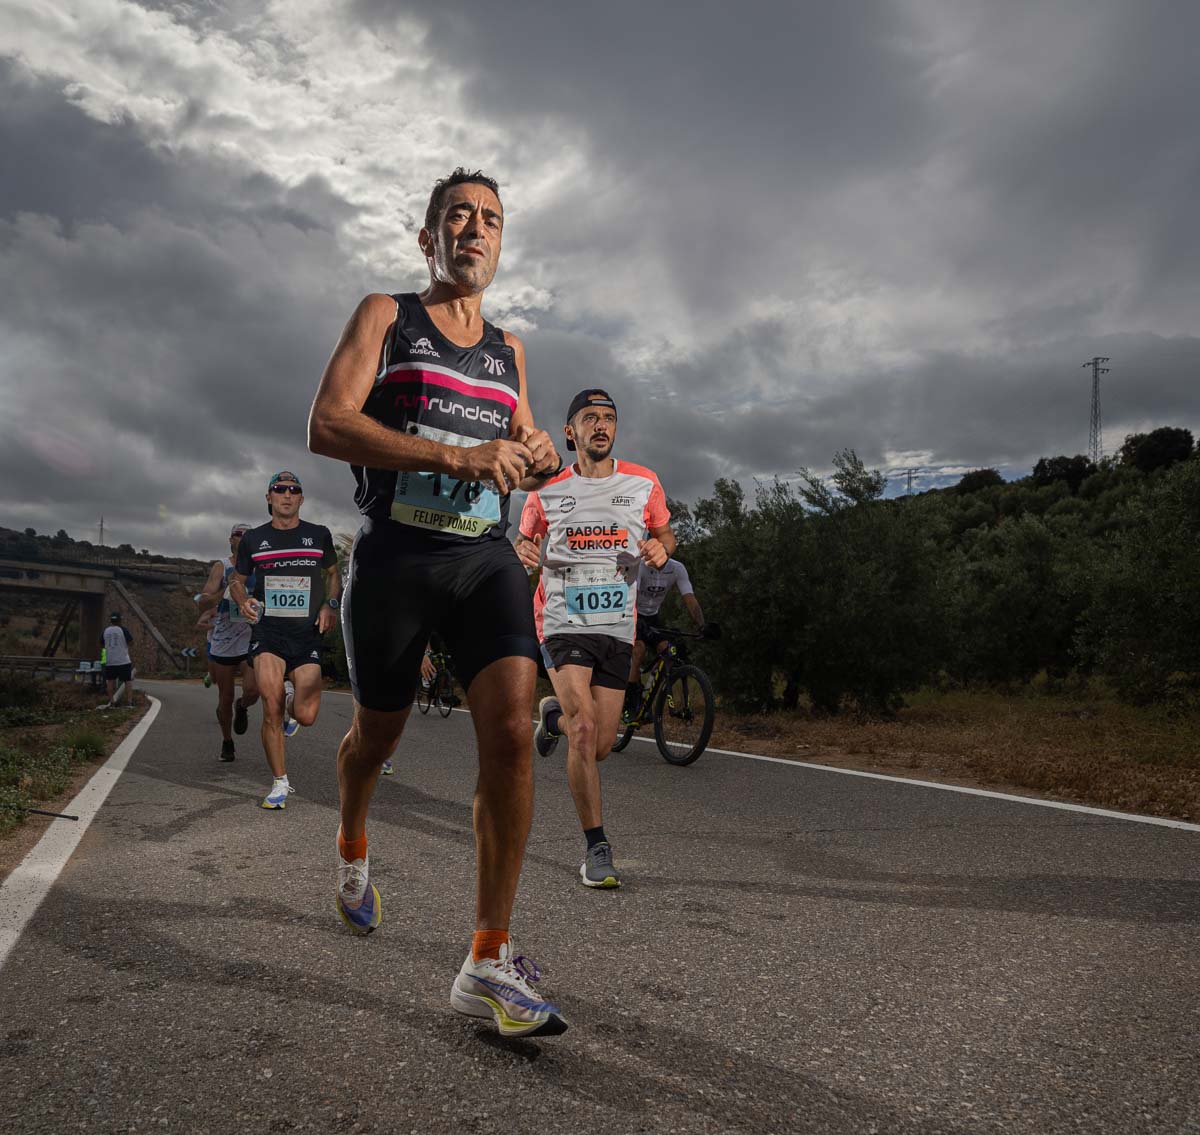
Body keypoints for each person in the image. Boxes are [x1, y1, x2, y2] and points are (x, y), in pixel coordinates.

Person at [308, 167, 567, 1037]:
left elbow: (522, 447)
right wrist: (449, 457)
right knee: (374, 737)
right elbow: (328, 423)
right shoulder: (387, 315)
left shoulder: (510, 349)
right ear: (429, 238)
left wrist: (530, 449)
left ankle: (486, 959)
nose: (474, 229)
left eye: (490, 219)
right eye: (457, 216)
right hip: (396, 558)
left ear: (501, 242)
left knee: (510, 731)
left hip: (483, 560)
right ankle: (351, 842)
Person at [518, 389, 675, 889]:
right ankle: (597, 848)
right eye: (590, 418)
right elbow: (525, 538)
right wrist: (523, 551)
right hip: (562, 621)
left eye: (609, 418)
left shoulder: (643, 482)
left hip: (616, 626)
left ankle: (553, 718)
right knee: (585, 730)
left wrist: (658, 547)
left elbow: (666, 533)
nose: (601, 426)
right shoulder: (545, 491)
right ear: (571, 433)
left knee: (602, 743)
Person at [229, 472, 340, 809]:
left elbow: (333, 574)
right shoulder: (253, 540)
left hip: (306, 634)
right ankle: (280, 782)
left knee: (306, 716)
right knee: (271, 708)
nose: (287, 495)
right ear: (269, 497)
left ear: (302, 499)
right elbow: (237, 580)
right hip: (268, 633)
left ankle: (293, 699)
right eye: (280, 490)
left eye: (294, 491)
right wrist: (241, 600)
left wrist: (329, 603)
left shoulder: (318, 535)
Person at [195, 523, 262, 762]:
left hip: (250, 639)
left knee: (254, 690)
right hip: (224, 641)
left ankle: (242, 707)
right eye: (238, 534)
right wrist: (223, 590)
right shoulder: (222, 566)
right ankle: (227, 741)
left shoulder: (260, 566)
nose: (242, 538)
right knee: (224, 697)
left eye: (247, 535)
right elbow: (203, 601)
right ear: (230, 540)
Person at [624, 556, 707, 717]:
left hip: (653, 617)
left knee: (668, 651)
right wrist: (634, 620)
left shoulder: (677, 568)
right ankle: (630, 702)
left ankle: (650, 691)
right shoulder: (639, 566)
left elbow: (689, 597)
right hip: (632, 614)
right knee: (639, 650)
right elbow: (632, 596)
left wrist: (702, 624)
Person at [98, 611, 135, 709]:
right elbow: (131, 642)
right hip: (123, 660)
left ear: (111, 620)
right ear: (120, 620)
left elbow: (101, 644)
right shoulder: (123, 630)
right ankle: (129, 702)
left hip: (110, 661)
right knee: (128, 681)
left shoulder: (105, 631)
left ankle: (112, 702)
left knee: (110, 681)